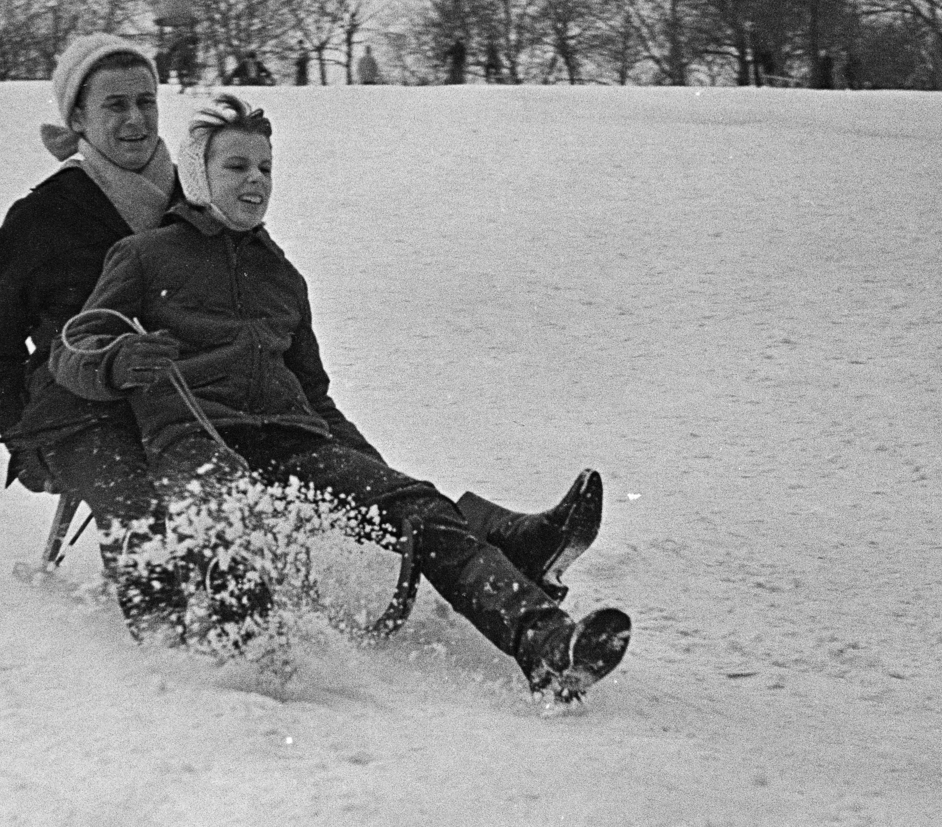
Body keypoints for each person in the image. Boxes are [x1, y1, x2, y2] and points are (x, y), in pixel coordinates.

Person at [0, 35, 602, 633]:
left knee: (342, 463)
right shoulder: (42, 216)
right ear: (78, 117)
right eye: (114, 105)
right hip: (82, 406)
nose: (136, 120)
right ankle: (173, 641)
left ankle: (501, 540)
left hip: (191, 394)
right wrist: (28, 446)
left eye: (146, 102)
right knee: (138, 498)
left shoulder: (194, 188)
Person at [51, 95, 629, 701]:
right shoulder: (145, 255)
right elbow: (76, 346)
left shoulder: (282, 278)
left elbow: (316, 399)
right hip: (196, 438)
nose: (255, 181)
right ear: (198, 176)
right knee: (228, 511)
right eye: (236, 167)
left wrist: (378, 476)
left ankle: (545, 644)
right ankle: (248, 665)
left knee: (420, 508)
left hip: (296, 442)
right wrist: (116, 361)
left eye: (265, 168)